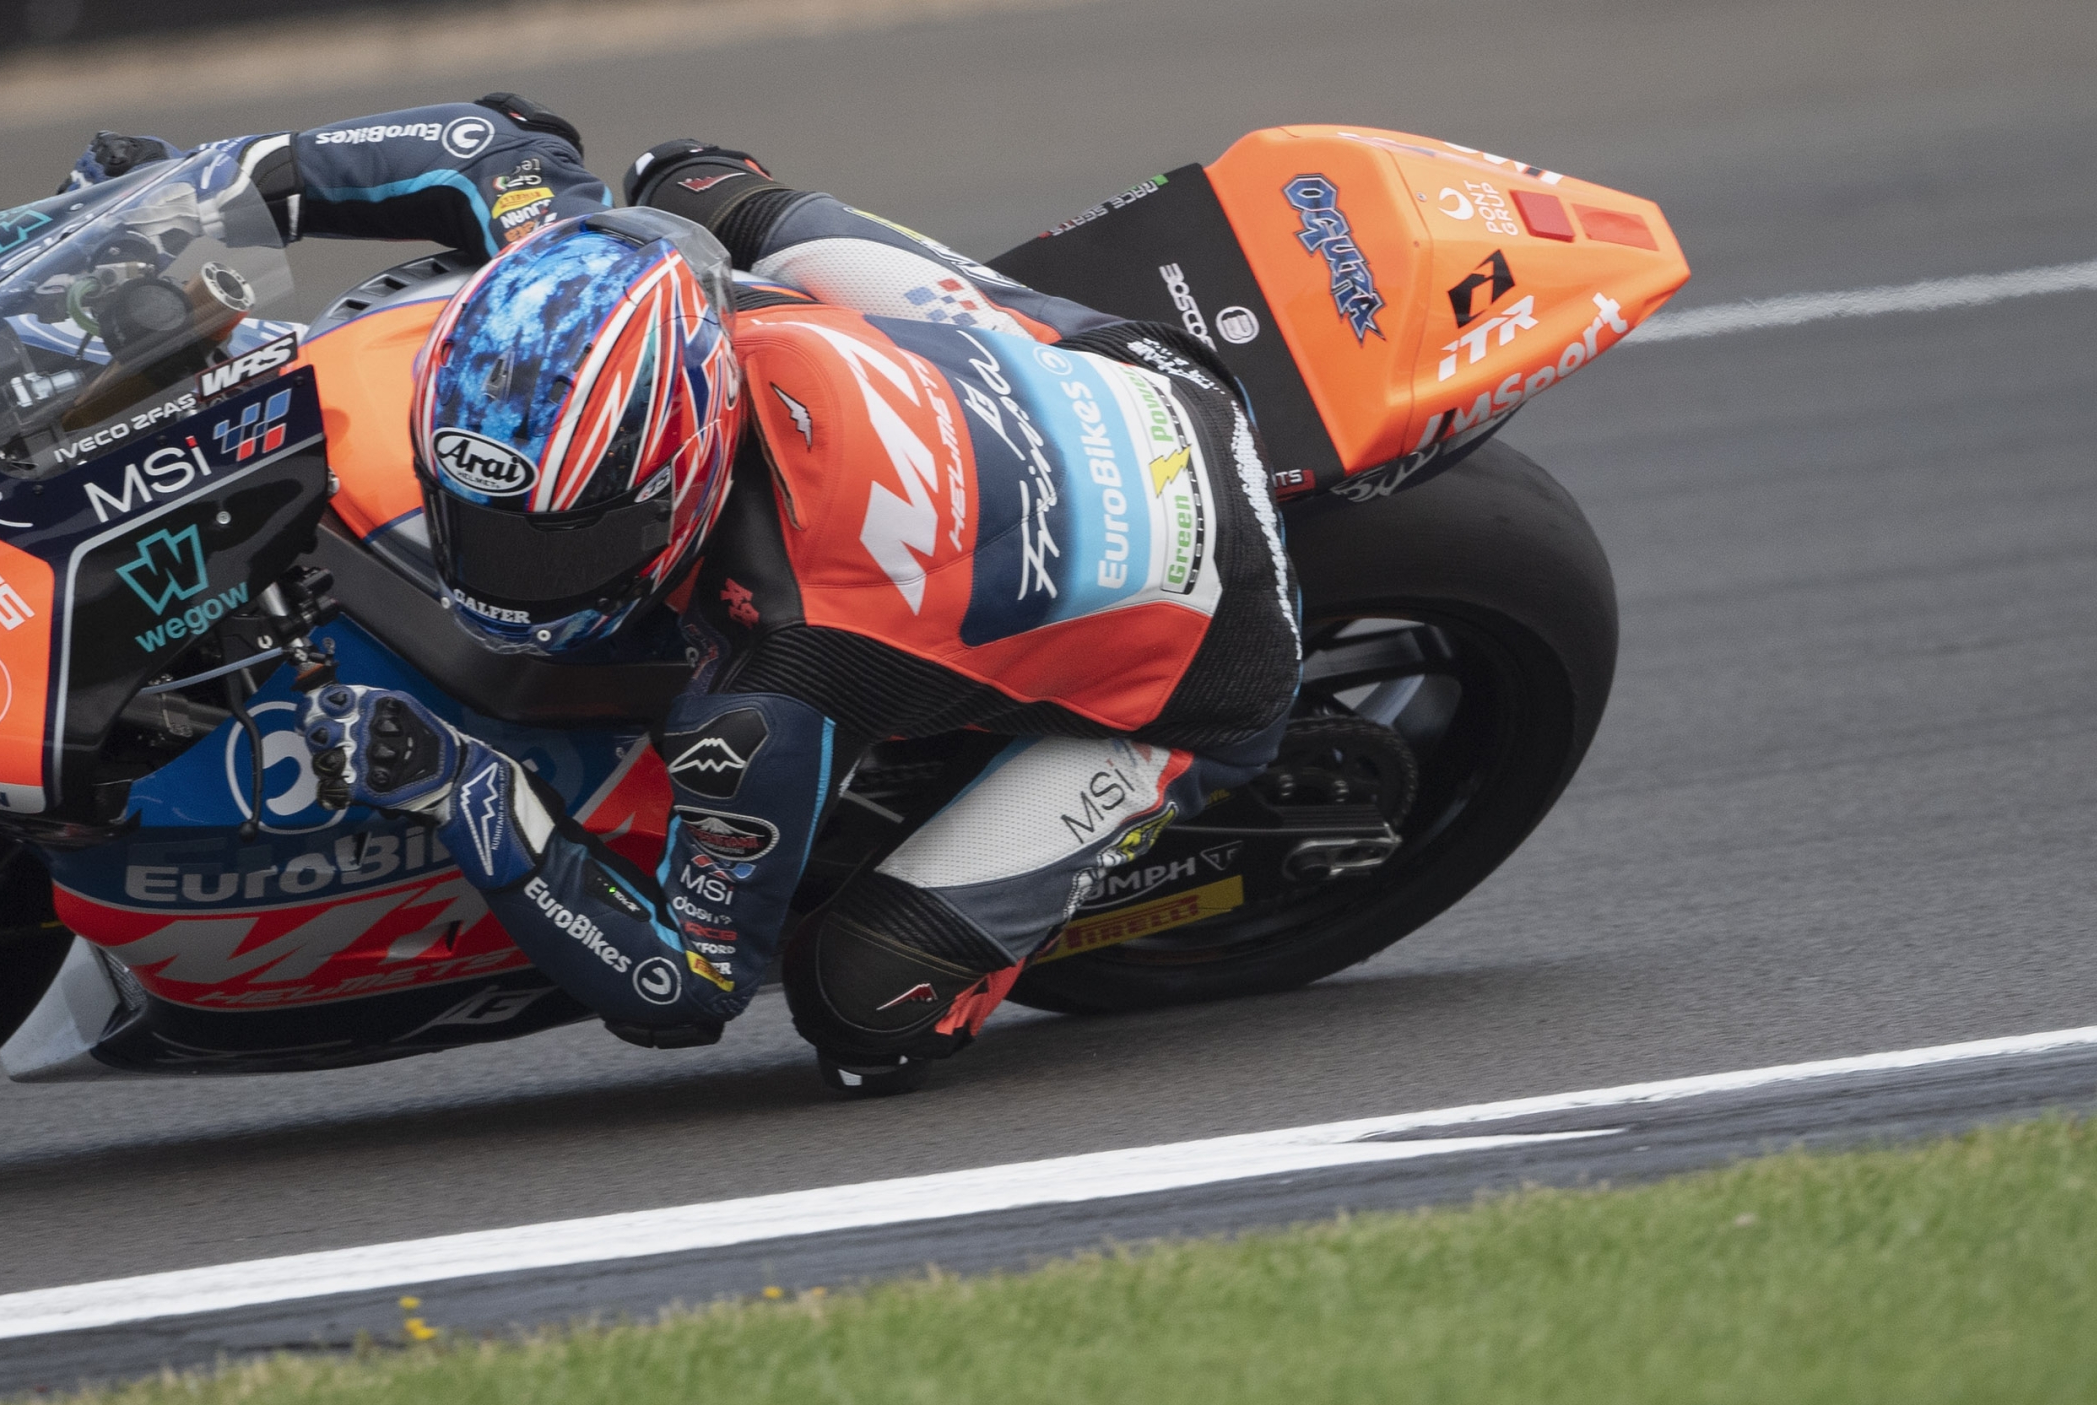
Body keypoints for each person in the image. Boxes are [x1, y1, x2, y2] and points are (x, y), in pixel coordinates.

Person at [68, 97, 1302, 1090]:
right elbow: (493, 139)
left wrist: (466, 786)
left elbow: (681, 990)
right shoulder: (622, 272)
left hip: (1211, 641)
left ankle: (1115, 810)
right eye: (476, 518)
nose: (503, 573)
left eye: (553, 546)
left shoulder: (775, 682)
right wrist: (193, 194)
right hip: (1107, 361)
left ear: (681, 472)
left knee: (865, 1009)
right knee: (687, 176)